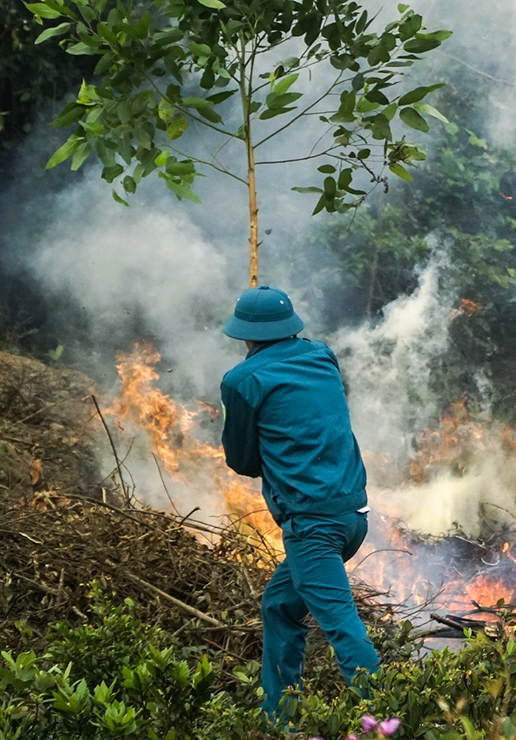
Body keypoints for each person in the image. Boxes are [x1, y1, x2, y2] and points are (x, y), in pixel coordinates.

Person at [219, 285, 380, 718]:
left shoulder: (241, 381)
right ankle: (278, 718)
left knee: (340, 625)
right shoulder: (321, 355)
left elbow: (242, 460)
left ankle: (388, 718)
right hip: (353, 516)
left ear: (244, 334)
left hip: (313, 527)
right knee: (278, 606)